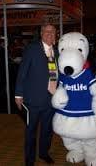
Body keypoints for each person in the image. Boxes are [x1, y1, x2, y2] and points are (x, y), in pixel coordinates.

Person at [15, 23, 58, 166]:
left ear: (55, 34)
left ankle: (44, 153)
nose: (50, 34)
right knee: (31, 132)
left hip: (51, 99)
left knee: (47, 130)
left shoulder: (56, 52)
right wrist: (18, 94)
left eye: (52, 32)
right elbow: (22, 72)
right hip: (33, 100)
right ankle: (29, 160)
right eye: (47, 31)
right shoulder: (32, 49)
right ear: (41, 33)